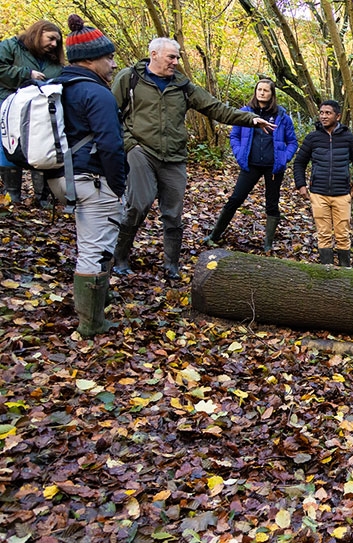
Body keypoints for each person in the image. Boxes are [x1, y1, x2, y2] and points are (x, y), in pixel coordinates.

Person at [110, 37, 276, 281]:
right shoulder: (130, 78)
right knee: (138, 204)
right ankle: (120, 257)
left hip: (174, 156)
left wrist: (250, 119)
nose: (176, 62)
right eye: (171, 57)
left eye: (177, 57)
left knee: (173, 211)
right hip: (141, 150)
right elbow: (112, 112)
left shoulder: (182, 85)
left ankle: (171, 264)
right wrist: (128, 143)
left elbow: (215, 108)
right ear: (154, 54)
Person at [49, 15, 126, 336]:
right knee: (95, 248)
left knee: (89, 243)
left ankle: (97, 304)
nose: (112, 64)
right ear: (90, 59)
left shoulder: (55, 86)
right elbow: (110, 145)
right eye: (108, 58)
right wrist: (118, 185)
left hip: (58, 177)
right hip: (92, 179)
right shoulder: (97, 94)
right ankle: (91, 323)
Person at [204, 79, 298, 251]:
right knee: (235, 199)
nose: (262, 93)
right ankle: (214, 235)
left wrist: (284, 158)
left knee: (272, 204)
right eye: (259, 90)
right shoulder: (245, 112)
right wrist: (239, 154)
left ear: (272, 94)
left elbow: (292, 142)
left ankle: (268, 244)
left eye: (266, 90)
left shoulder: (281, 116)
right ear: (255, 92)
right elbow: (234, 136)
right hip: (250, 165)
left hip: (273, 167)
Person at [292, 100, 353, 267]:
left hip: (342, 194)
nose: (323, 116)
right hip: (318, 193)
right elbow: (299, 163)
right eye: (322, 113)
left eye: (328, 113)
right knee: (324, 234)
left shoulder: (348, 138)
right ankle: (327, 274)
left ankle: (345, 273)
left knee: (342, 235)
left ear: (337, 116)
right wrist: (301, 185)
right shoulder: (313, 138)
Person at [0, 19, 65, 207]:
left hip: (41, 110)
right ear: (38, 33)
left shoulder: (53, 59)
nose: (54, 44)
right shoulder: (11, 46)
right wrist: (27, 74)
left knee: (42, 146)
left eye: (57, 41)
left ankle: (42, 196)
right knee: (9, 145)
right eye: (51, 38)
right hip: (8, 104)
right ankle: (11, 194)